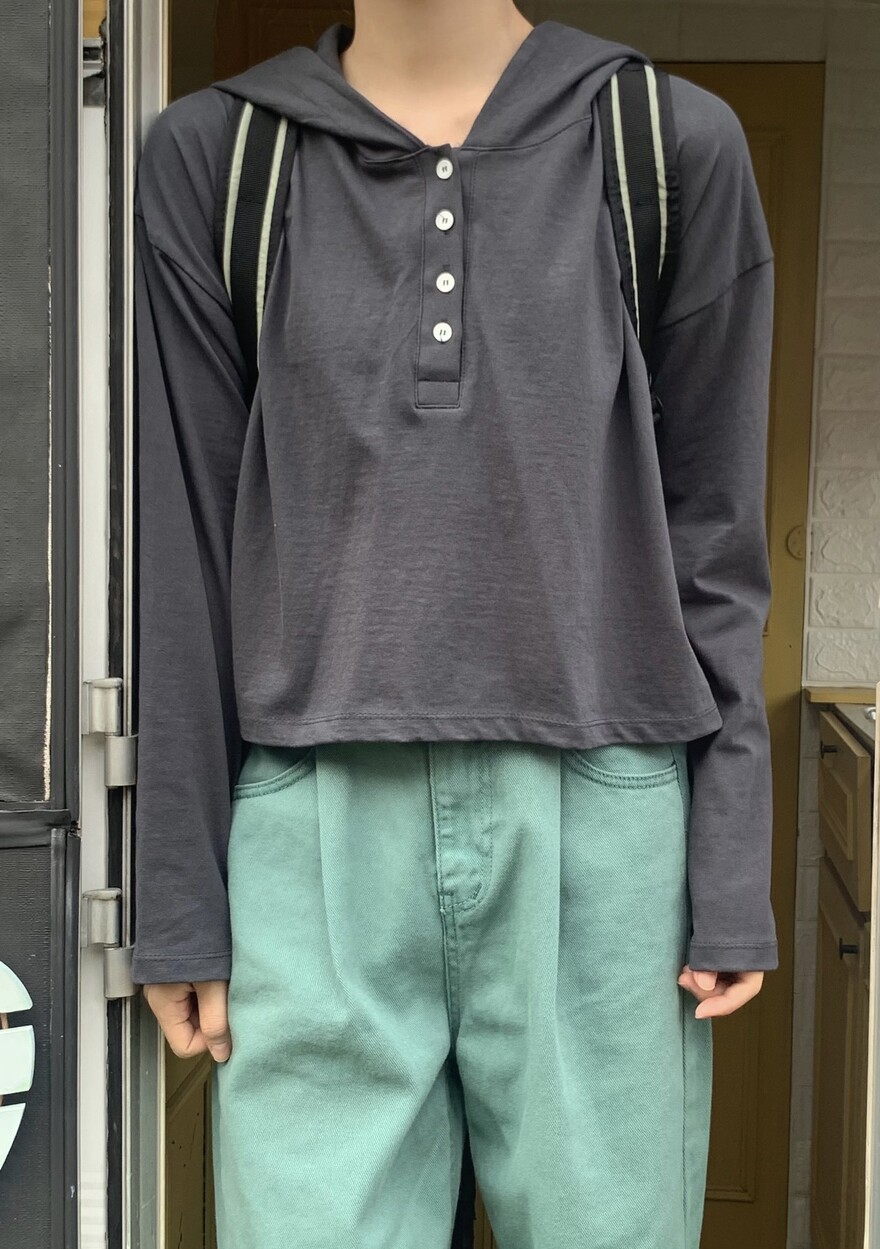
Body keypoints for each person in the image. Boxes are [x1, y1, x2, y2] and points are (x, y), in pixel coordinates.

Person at [131, 1, 778, 1246]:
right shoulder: (219, 159)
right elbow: (185, 551)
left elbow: (716, 542)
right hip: (310, 827)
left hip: (603, 817)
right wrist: (179, 898)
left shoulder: (665, 145)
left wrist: (731, 860)